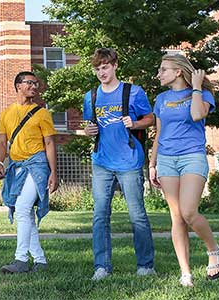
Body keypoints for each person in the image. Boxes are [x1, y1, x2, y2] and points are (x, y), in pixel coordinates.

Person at [149, 53, 219, 287]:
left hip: (192, 156)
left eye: (163, 69)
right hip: (167, 160)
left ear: (178, 71)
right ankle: (186, 274)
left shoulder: (203, 94)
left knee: (189, 212)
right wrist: (152, 164)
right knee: (177, 218)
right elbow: (159, 134)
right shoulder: (161, 99)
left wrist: (196, 88)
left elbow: (196, 115)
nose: (158, 74)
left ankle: (214, 250)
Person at [83, 48, 156, 281]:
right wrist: (88, 130)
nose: (101, 72)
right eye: (97, 68)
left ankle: (146, 265)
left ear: (115, 65)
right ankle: (101, 267)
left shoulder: (133, 92)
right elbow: (89, 126)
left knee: (137, 215)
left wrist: (134, 124)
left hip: (129, 161)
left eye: (105, 67)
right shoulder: (91, 96)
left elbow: (150, 118)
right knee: (100, 215)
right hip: (102, 162)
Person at [0, 71, 58, 274]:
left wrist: (53, 172)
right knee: (26, 214)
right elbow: (2, 141)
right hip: (16, 165)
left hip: (37, 164)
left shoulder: (42, 113)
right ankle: (40, 261)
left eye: (36, 84)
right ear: (18, 86)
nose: (34, 87)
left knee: (22, 208)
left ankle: (20, 260)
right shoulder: (6, 114)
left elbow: (49, 143)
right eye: (30, 83)